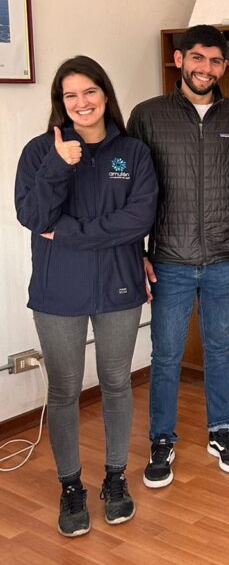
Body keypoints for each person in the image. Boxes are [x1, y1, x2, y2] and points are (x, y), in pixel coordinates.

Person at [15, 56, 158, 537]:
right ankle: (70, 485)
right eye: (70, 95)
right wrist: (60, 165)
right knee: (64, 389)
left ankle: (115, 479)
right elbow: (34, 216)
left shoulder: (133, 152)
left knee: (117, 383)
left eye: (90, 91)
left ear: (105, 93)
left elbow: (138, 220)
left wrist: (69, 233)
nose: (82, 102)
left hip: (120, 285)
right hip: (58, 290)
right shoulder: (41, 151)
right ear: (61, 102)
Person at [127, 25, 229, 488]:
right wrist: (135, 251)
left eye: (214, 61)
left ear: (224, 67)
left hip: (223, 256)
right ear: (179, 60)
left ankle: (221, 430)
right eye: (197, 58)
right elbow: (131, 190)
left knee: (219, 347)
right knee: (166, 353)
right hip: (168, 258)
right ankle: (161, 439)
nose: (205, 68)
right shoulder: (147, 116)